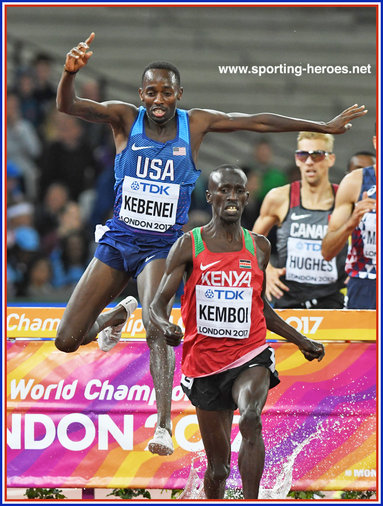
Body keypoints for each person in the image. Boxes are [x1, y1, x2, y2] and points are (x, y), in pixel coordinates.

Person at [54, 31, 365, 456]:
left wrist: (320, 127)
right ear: (141, 94)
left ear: (180, 93)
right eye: (150, 92)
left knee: (157, 326)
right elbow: (67, 106)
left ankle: (162, 425)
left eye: (167, 92)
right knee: (67, 340)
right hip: (120, 238)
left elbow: (257, 120)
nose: (158, 99)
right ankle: (114, 317)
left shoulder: (194, 123)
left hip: (162, 246)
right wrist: (69, 74)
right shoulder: (125, 118)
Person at [149, 165, 325, 499]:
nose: (231, 197)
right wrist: (165, 325)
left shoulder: (259, 247)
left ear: (246, 197)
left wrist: (300, 340)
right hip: (204, 364)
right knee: (218, 469)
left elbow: (262, 307)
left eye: (237, 191)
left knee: (250, 418)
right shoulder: (189, 245)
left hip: (249, 354)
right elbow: (157, 305)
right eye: (224, 190)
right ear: (210, 196)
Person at [252, 132, 348, 309]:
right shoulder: (279, 198)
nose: (309, 162)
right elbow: (251, 241)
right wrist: (267, 270)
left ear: (331, 159)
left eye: (317, 155)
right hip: (289, 299)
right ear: (297, 159)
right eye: (303, 155)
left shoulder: (345, 197)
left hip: (333, 299)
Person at [322, 135, 376, 309]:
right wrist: (352, 221)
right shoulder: (355, 182)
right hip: (365, 283)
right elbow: (327, 251)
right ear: (376, 141)